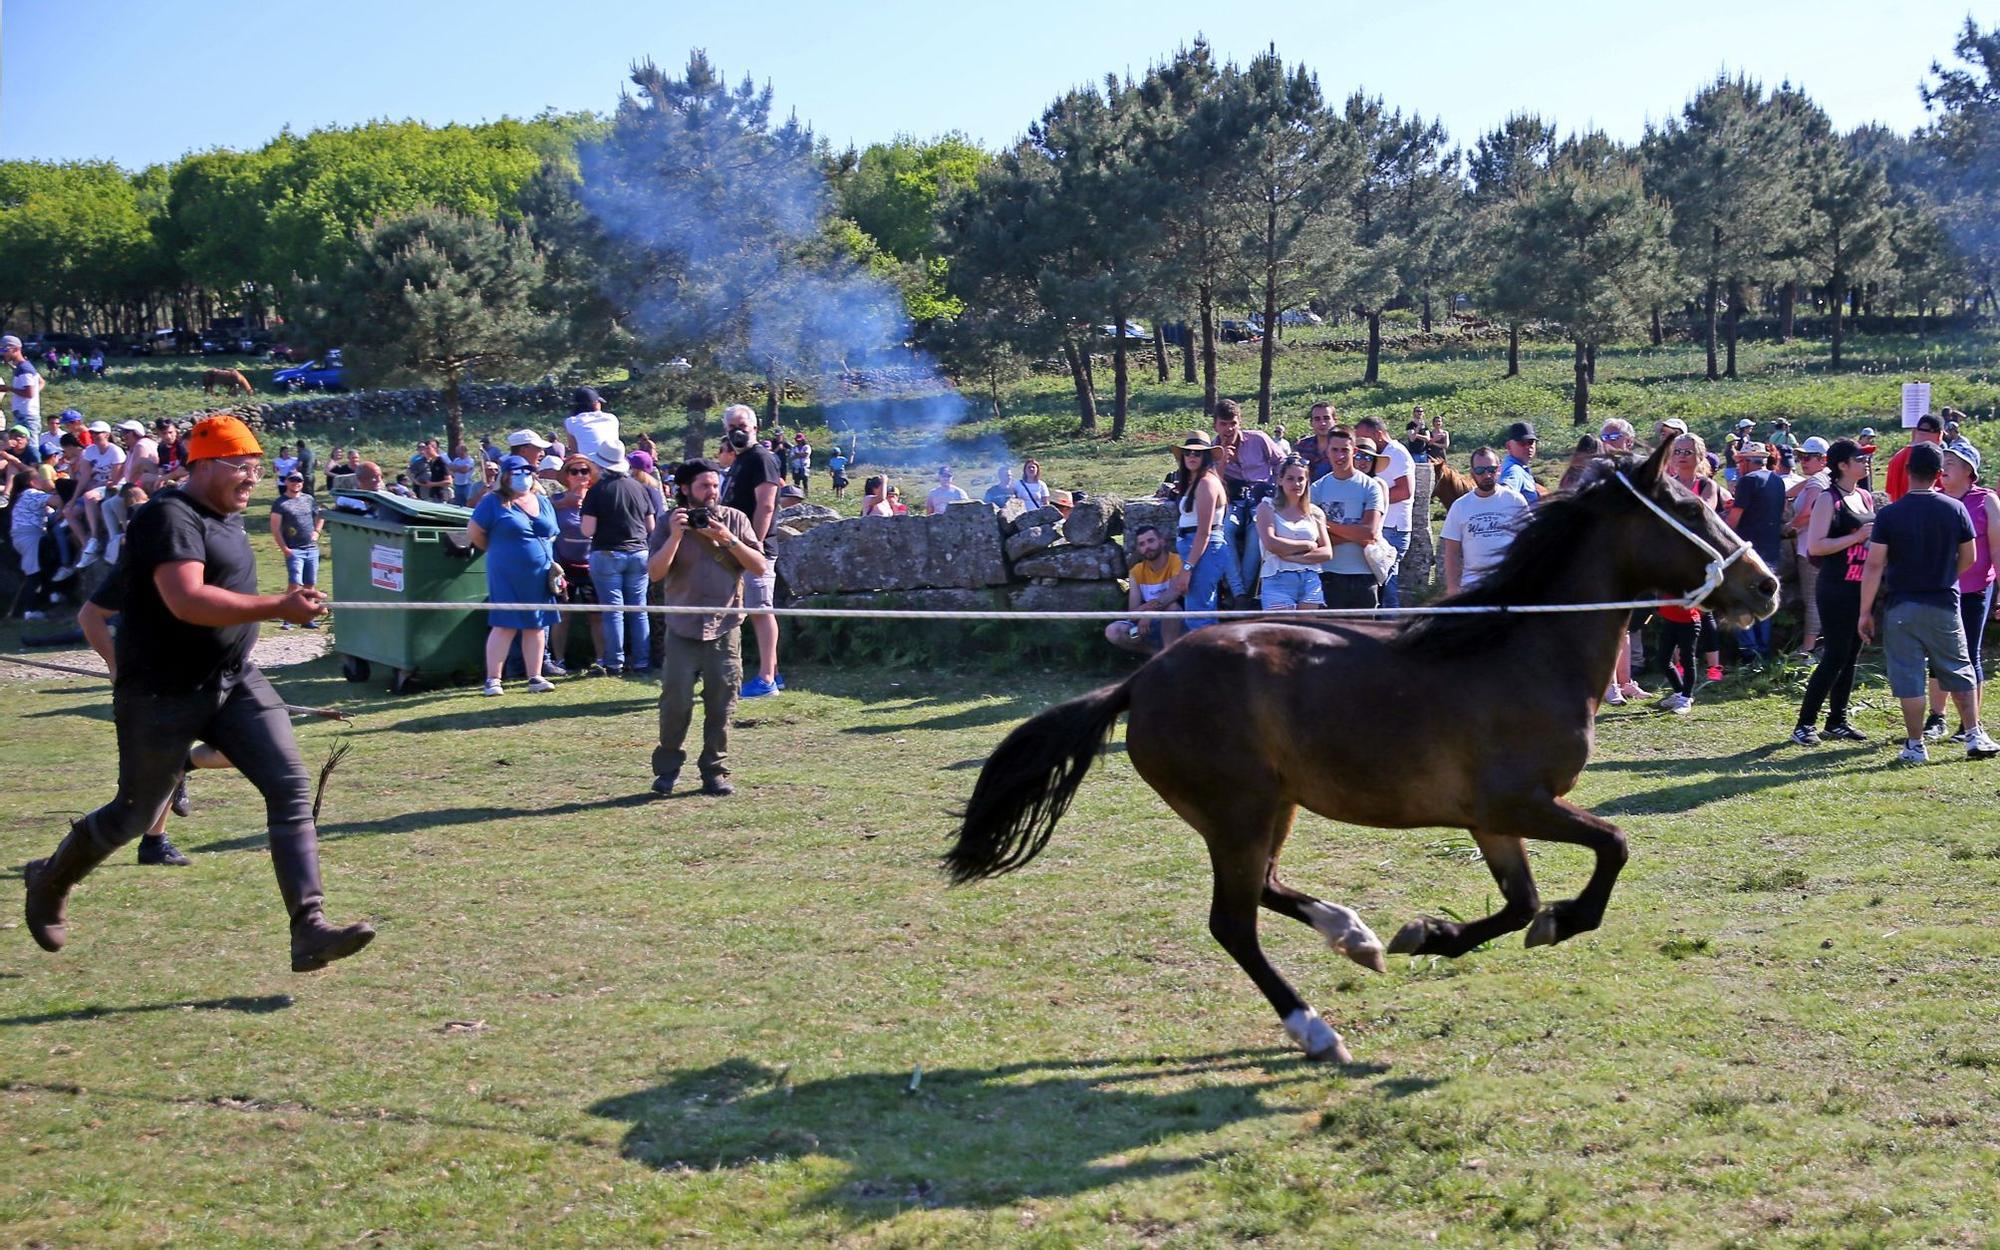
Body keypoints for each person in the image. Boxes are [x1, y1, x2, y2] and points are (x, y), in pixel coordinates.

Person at [22, 414, 376, 973]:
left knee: (288, 784)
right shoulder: (169, 516)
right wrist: (278, 607)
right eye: (243, 467)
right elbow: (186, 600)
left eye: (258, 468)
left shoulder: (227, 521)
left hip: (234, 678)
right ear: (206, 464)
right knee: (133, 816)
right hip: (162, 694)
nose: (253, 479)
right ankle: (50, 880)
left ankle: (309, 928)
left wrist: (281, 605)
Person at [1857, 442, 1999, 762]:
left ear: (1907, 471)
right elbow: (1970, 557)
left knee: (1909, 677)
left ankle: (1915, 744)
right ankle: (1974, 734)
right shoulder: (1955, 509)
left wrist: (1865, 611)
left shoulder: (1890, 514)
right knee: (1958, 668)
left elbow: (1875, 564)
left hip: (1901, 605)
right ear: (1938, 474)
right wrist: (1946, 576)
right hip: (1943, 602)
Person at [647, 457, 770, 798]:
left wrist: (727, 538)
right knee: (675, 703)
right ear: (684, 489)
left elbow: (759, 567)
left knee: (722, 702)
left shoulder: (735, 519)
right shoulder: (666, 522)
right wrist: (675, 535)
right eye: (704, 486)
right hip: (682, 627)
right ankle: (667, 770)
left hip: (725, 626)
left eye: (716, 486)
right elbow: (655, 573)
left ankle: (714, 771)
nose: (712, 493)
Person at [1791, 440, 1876, 743]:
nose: (1865, 462)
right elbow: (1816, 545)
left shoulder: (1865, 496)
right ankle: (1804, 724)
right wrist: (1855, 538)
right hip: (1835, 587)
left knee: (1851, 655)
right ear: (1842, 465)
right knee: (1834, 655)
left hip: (1859, 586)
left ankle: (1837, 720)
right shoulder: (1829, 499)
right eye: (1859, 458)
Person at [1926, 441, 2000, 743]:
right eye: (1943, 462)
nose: (1944, 468)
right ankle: (1937, 717)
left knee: (1969, 653)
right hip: (1941, 589)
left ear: (1970, 470)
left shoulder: (1987, 501)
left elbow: (1997, 548)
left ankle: (1971, 723)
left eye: (1952, 463)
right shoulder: (1935, 500)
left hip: (1976, 589)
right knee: (1936, 653)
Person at [467, 455, 559, 697]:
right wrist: (499, 551)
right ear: (505, 476)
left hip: (539, 574)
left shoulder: (542, 500)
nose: (523, 477)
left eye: (527, 472)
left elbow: (552, 531)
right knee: (504, 624)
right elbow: (475, 532)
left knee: (537, 624)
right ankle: (493, 680)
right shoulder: (493, 502)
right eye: (517, 473)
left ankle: (535, 677)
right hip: (506, 572)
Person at [720, 403, 785, 698]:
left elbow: (767, 504)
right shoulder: (740, 460)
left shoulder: (761, 458)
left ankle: (767, 679)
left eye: (742, 426)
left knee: (760, 610)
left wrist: (753, 543)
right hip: (737, 547)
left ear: (755, 428)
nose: (737, 431)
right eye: (732, 427)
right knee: (752, 610)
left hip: (754, 549)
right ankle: (773, 672)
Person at [578, 436, 654, 678]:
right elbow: (651, 525)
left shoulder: (597, 490)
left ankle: (615, 662)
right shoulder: (640, 488)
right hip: (639, 552)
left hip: (608, 552)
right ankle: (642, 661)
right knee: (639, 610)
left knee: (613, 611)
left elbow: (587, 530)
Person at [1307, 426, 1386, 611]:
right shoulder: (1317, 489)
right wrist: (1355, 533)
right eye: (1335, 450)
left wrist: (1327, 525)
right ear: (1327, 451)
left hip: (1365, 575)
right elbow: (1316, 540)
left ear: (1354, 451)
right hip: (1328, 575)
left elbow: (1369, 533)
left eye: (1345, 450)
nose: (1340, 456)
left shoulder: (1371, 487)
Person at [1212, 399, 1281, 601]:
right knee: (1225, 531)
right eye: (1223, 424)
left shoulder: (1258, 439)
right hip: (1233, 500)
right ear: (1215, 425)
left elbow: (1281, 462)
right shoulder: (1212, 449)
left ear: (1240, 422)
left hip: (1261, 497)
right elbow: (1212, 483)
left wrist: (1275, 486)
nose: (1229, 429)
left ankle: (1241, 593)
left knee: (1257, 532)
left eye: (1233, 423)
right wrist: (1223, 460)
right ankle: (1241, 593)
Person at [1440, 446, 1531, 595]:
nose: (1487, 475)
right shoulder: (1460, 506)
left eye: (1491, 470)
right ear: (1472, 473)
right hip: (1472, 588)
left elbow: (1529, 543)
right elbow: (1451, 553)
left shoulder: (1515, 501)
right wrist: (1452, 590)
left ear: (1499, 470)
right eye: (1480, 471)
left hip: (1508, 585)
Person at [1727, 442, 1787, 664]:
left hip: (1748, 552)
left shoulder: (1748, 481)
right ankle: (1763, 650)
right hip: (1771, 547)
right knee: (1765, 598)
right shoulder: (1777, 481)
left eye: (1739, 461)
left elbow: (1734, 520)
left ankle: (1749, 651)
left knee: (1740, 600)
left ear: (1746, 461)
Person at [1167, 432, 1230, 630]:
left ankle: (1206, 659)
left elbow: (1204, 532)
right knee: (1199, 611)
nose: (1192, 456)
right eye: (1188, 452)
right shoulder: (1198, 482)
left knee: (1199, 615)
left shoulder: (1206, 483)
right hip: (1197, 549)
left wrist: (1187, 569)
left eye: (1198, 453)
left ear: (1207, 457)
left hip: (1203, 549)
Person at [1254, 455, 1331, 612]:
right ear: (1280, 480)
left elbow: (1327, 552)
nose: (1296, 484)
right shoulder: (1267, 507)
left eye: (1301, 479)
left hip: (1310, 579)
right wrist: (1308, 545)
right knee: (1281, 633)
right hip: (1277, 578)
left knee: (1307, 633)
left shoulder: (1315, 512)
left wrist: (1294, 557)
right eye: (1290, 478)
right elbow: (1271, 543)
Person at [1354, 415, 1414, 608]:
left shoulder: (1395, 453)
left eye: (1365, 437)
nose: (1361, 443)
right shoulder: (1386, 454)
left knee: (1388, 587)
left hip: (1393, 527)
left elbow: (1405, 491)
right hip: (1384, 526)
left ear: (1378, 434)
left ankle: (1390, 627)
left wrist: (1372, 501)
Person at [1784, 437, 1832, 655]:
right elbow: (1791, 491)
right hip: (1821, 546)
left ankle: (1808, 648)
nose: (1803, 461)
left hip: (1809, 548)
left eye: (1809, 457)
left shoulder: (1816, 482)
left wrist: (1789, 528)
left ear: (1823, 459)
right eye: (1801, 457)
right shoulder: (1825, 478)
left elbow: (1808, 513)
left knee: (1812, 598)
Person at [1107, 524, 1185, 654]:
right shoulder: (1136, 572)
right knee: (1113, 631)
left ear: (1162, 541)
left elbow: (1174, 593)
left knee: (1172, 608)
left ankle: (1170, 657)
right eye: (1142, 544)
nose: (1147, 547)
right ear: (1138, 549)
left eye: (1151, 541)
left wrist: (1149, 612)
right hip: (1147, 625)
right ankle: (1157, 656)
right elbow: (1133, 613)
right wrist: (1146, 614)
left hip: (1178, 623)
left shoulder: (1176, 561)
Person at [268, 470, 324, 630]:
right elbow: (275, 528)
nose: (296, 482)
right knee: (294, 584)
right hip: (294, 550)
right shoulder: (280, 503)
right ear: (286, 482)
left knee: (310, 584)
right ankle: (288, 617)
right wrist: (284, 548)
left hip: (312, 548)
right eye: (292, 480)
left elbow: (321, 515)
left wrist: (317, 532)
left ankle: (308, 617)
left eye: (299, 480)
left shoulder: (309, 499)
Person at [1884, 412, 1944, 502]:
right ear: (1940, 434)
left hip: (1898, 512)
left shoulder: (1896, 457)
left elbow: (1889, 494)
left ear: (1916, 431)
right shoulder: (1934, 459)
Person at [564, 387, 619, 460]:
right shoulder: (612, 418)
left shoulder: (571, 422)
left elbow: (575, 451)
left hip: (589, 465)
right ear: (596, 404)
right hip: (615, 463)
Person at [2, 335, 43, 433]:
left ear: (15, 349)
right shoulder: (22, 367)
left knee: (31, 448)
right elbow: (41, 382)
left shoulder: (24, 369)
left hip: (27, 417)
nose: (3, 354)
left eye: (5, 350)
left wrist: (8, 388)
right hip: (23, 415)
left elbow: (29, 393)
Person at [1497, 421, 1542, 502]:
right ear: (1509, 446)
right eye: (1522, 443)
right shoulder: (1514, 470)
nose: (1528, 447)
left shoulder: (1519, 468)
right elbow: (1504, 493)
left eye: (1530, 442)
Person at [1294, 402, 1336, 482]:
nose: (1322, 423)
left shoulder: (1342, 447)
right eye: (1317, 419)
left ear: (1335, 420)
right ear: (1311, 423)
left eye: (1326, 418)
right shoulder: (1301, 446)